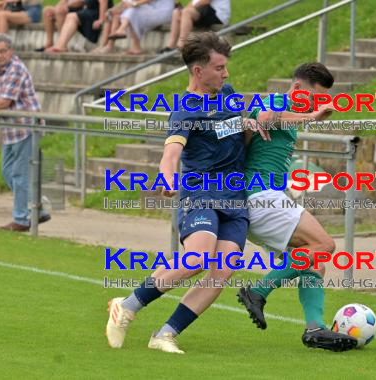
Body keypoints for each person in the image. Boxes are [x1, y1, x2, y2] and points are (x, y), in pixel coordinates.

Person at [105, 31, 269, 354]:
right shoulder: (185, 110)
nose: (226, 74)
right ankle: (127, 306)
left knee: (222, 270)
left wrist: (252, 126)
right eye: (220, 68)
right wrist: (166, 179)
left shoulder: (231, 96)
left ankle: (164, 334)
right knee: (198, 256)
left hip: (235, 202)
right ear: (199, 71)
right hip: (202, 196)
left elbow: (239, 139)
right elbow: (170, 156)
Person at [236, 63, 357, 352]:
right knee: (325, 245)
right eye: (314, 97)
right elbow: (264, 116)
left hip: (266, 197)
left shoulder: (289, 111)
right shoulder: (277, 101)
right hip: (259, 196)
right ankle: (257, 291)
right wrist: (311, 115)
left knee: (314, 260)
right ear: (299, 88)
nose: (317, 104)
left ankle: (314, 328)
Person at [0, 34, 51, 232]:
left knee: (19, 174)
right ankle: (38, 208)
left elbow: (5, 101)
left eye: (2, 51)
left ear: (11, 51)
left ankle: (22, 220)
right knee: (7, 172)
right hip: (11, 130)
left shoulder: (16, 69)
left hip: (26, 127)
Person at [94, 0, 173, 55]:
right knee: (118, 15)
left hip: (163, 11)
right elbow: (126, 2)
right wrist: (112, 11)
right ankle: (110, 45)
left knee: (132, 11)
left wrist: (133, 4)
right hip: (152, 9)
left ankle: (121, 30)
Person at [157, 0, 229, 53]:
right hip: (205, 13)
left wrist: (186, 10)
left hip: (218, 15)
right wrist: (182, 10)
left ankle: (181, 45)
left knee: (186, 12)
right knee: (176, 12)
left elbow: (205, 1)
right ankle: (170, 46)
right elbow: (193, 3)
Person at [45, 0, 113, 53]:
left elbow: (103, 1)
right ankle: (57, 44)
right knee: (51, 11)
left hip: (97, 13)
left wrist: (101, 19)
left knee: (72, 16)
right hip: (89, 11)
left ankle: (61, 46)